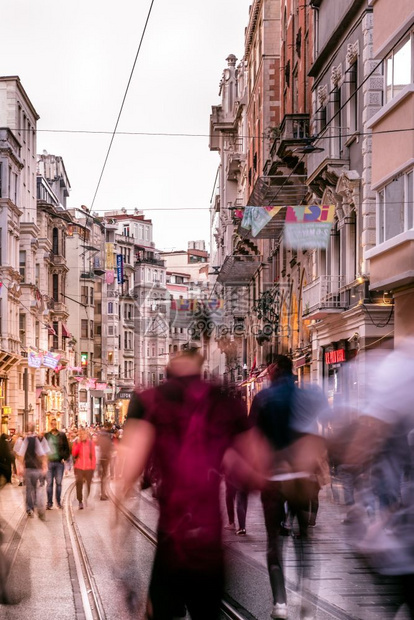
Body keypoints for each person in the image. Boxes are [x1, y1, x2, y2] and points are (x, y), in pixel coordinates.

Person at [119, 349, 257, 620]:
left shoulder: (150, 400)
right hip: (209, 542)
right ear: (201, 362)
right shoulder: (224, 399)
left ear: (169, 366)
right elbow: (255, 467)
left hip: (173, 538)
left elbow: (127, 471)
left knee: (162, 612)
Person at [249, 355, 327, 620]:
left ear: (273, 370)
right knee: (304, 539)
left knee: (274, 540)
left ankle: (280, 602)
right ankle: (306, 597)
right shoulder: (307, 396)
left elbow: (253, 438)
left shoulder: (263, 398)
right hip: (302, 477)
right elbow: (317, 433)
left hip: (273, 476)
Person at [17, 424, 49, 518]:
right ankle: (36, 505)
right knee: (36, 488)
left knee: (28, 489)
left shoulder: (26, 439)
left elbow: (21, 454)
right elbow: (42, 454)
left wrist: (20, 466)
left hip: (28, 468)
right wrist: (44, 465)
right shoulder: (35, 440)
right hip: (36, 469)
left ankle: (29, 509)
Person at [44, 418, 70, 509]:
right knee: (49, 483)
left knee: (58, 483)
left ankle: (58, 502)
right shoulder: (46, 435)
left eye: (55, 424)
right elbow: (42, 447)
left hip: (59, 462)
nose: (54, 425)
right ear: (50, 424)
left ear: (57, 425)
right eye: (52, 424)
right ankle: (49, 503)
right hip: (49, 462)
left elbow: (67, 448)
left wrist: (64, 458)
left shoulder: (62, 435)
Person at [72, 427, 96, 509]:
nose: (82, 436)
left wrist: (93, 467)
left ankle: (88, 496)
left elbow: (93, 455)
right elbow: (74, 454)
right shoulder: (76, 442)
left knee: (88, 483)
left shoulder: (90, 443)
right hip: (79, 466)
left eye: (84, 434)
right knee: (79, 482)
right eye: (81, 434)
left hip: (89, 467)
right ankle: (80, 501)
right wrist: (78, 444)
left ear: (87, 434)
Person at [96, 422, 113, 500]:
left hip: (101, 457)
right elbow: (108, 447)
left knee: (103, 476)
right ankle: (103, 494)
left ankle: (103, 493)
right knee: (104, 477)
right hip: (105, 457)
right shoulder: (107, 436)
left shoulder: (100, 436)